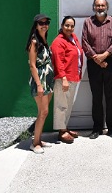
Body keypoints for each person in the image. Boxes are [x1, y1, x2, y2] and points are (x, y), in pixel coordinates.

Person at [81, 0, 112, 139]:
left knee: (110, 95)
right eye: (97, 5)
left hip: (110, 62)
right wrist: (97, 58)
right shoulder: (88, 22)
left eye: (102, 5)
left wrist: (104, 55)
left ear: (106, 7)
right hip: (93, 63)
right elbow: (84, 42)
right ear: (93, 7)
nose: (100, 8)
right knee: (96, 96)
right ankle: (97, 128)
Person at [50, 16, 83, 144]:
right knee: (61, 105)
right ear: (62, 25)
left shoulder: (73, 38)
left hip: (73, 76)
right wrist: (63, 78)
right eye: (67, 25)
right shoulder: (58, 41)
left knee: (68, 104)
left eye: (72, 26)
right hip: (64, 78)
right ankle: (61, 131)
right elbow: (58, 62)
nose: (69, 28)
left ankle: (64, 127)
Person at [25, 13, 54, 154]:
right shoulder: (34, 42)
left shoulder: (44, 40)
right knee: (43, 112)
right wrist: (39, 85)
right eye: (41, 23)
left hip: (47, 81)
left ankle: (39, 139)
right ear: (36, 26)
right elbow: (32, 65)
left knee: (43, 113)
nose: (44, 25)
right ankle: (35, 143)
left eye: (46, 23)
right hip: (40, 81)